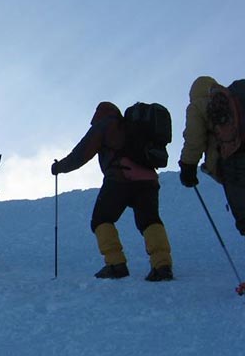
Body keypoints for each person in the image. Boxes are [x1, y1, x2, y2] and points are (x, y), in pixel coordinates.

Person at [51, 101, 173, 281]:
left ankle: (116, 264)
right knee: (150, 220)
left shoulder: (105, 124)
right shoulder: (133, 127)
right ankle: (162, 265)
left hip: (120, 178)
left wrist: (59, 167)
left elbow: (82, 153)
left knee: (102, 219)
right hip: (148, 179)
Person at [179, 76, 245, 235]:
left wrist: (188, 166)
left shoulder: (198, 105)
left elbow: (194, 138)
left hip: (234, 163)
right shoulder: (233, 99)